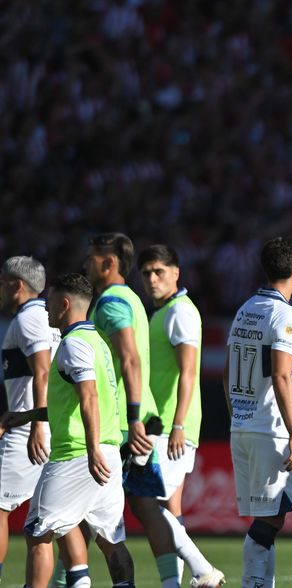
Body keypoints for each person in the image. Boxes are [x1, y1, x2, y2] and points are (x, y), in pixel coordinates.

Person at [2, 273, 128, 587]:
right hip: (108, 452)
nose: (45, 307)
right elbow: (71, 401)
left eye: (51, 300)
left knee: (37, 534)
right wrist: (28, 415)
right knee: (110, 539)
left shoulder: (73, 345)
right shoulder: (97, 341)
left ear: (65, 303)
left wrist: (91, 448)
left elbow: (89, 397)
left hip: (77, 453)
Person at [138, 244, 225, 587]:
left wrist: (176, 424)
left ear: (176, 273)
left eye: (159, 271)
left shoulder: (179, 312)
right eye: (146, 273)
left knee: (143, 501)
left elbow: (189, 372)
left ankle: (202, 569)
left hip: (169, 426)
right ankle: (173, 584)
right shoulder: (162, 312)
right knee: (167, 509)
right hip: (163, 424)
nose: (152, 279)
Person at [225, 237, 292, 588]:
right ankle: (251, 583)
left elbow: (227, 371)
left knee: (270, 517)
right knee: (270, 521)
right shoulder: (287, 315)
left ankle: (259, 583)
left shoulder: (246, 308)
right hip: (270, 429)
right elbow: (281, 374)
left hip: (242, 426)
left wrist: (237, 415)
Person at [84, 232, 164, 583]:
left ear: (109, 262)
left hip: (118, 423)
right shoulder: (131, 298)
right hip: (137, 415)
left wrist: (131, 419)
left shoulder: (111, 303)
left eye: (92, 258)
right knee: (141, 510)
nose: (87, 264)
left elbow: (129, 360)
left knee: (86, 518)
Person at [0, 256, 59, 583]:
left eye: (1, 281)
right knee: (43, 526)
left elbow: (43, 371)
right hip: (41, 425)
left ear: (16, 285)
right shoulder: (48, 317)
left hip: (29, 434)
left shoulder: (28, 320)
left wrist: (38, 424)